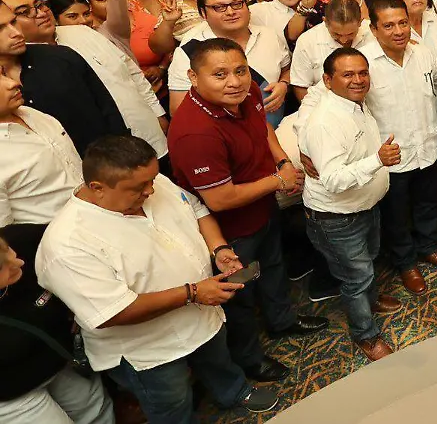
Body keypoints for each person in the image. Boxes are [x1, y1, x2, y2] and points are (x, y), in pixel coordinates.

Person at [35, 135, 281, 422]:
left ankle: (235, 392)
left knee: (218, 360)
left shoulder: (148, 181)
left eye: (152, 179)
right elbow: (112, 311)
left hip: (202, 314)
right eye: (140, 187)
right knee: (172, 402)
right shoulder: (66, 244)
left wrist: (219, 248)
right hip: (151, 349)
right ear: (98, 188)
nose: (151, 190)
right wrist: (192, 293)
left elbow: (196, 209)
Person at [168, 37, 328, 381]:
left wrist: (282, 161)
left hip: (262, 208)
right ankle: (250, 359)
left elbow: (263, 127)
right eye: (220, 74)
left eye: (240, 70)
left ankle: (282, 321)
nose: (234, 81)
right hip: (231, 231)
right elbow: (219, 199)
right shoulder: (195, 133)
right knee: (240, 294)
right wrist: (278, 181)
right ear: (194, 77)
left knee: (273, 266)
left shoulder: (248, 91)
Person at [299, 47, 403, 362]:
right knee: (356, 278)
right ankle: (365, 335)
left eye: (362, 73)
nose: (358, 80)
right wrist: (378, 161)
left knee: (367, 263)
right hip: (337, 218)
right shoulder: (325, 121)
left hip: (364, 207)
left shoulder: (354, 103)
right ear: (327, 80)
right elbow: (332, 180)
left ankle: (370, 300)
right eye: (348, 74)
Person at [0, 0, 168, 168]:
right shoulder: (22, 76)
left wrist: (157, 112)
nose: (41, 13)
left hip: (144, 134)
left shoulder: (80, 35)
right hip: (91, 166)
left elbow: (130, 74)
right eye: (24, 12)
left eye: (39, 5)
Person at [364, 0, 437, 294]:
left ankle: (428, 247)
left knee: (427, 202)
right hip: (392, 156)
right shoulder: (363, 62)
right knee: (396, 215)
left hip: (425, 146)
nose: (398, 31)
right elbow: (327, 96)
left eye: (403, 23)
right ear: (374, 29)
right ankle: (405, 263)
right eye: (389, 25)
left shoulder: (423, 53)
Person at [0, 227, 115, 423]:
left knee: (97, 412)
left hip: (58, 363)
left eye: (8, 250)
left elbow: (74, 238)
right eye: (5, 268)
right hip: (11, 394)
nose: (18, 262)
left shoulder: (24, 239)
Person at [0, 0, 128, 155]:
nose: (16, 33)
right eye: (0, 29)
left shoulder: (60, 57)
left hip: (106, 159)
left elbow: (107, 109)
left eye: (13, 22)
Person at [167, 0, 290, 119]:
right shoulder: (190, 50)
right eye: (219, 7)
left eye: (237, 4)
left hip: (275, 124)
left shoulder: (269, 35)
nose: (231, 12)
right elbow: (178, 110)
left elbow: (287, 70)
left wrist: (284, 84)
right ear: (203, 13)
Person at [291, 0, 375, 102]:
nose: (344, 40)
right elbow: (300, 86)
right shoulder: (307, 41)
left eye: (350, 34)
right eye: (337, 34)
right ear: (325, 22)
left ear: (360, 22)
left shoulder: (373, 33)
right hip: (325, 107)